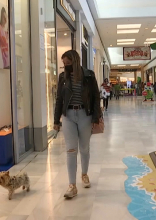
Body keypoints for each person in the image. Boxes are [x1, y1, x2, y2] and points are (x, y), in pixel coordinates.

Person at [53, 50, 101, 199]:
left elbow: (95, 96)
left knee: (84, 148)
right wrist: (56, 120)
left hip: (84, 115)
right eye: (64, 64)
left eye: (68, 63)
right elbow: (59, 99)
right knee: (71, 150)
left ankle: (84, 174)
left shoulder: (89, 75)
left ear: (76, 61)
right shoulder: (63, 77)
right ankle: (72, 185)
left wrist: (96, 117)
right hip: (68, 116)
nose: (66, 66)